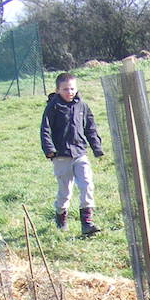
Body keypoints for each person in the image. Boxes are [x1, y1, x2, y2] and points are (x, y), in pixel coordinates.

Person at [40, 72, 104, 236]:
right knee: (65, 191)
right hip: (61, 156)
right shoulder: (52, 107)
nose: (69, 92)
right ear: (58, 89)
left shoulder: (82, 105)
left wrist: (96, 147)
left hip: (80, 153)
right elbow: (45, 129)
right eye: (65, 89)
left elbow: (90, 127)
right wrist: (49, 150)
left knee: (87, 185)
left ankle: (87, 223)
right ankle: (61, 219)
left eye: (72, 89)